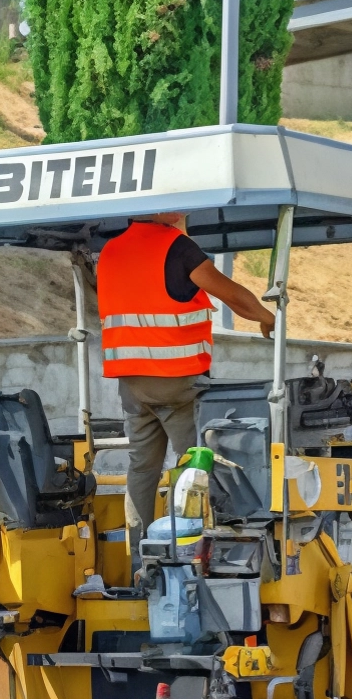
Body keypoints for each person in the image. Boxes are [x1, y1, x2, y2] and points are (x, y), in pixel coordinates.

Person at [96, 213, 276, 537]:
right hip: (175, 381)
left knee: (142, 467)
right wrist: (267, 317)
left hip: (131, 383)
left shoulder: (111, 250)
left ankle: (139, 557)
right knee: (192, 463)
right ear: (170, 211)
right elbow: (231, 294)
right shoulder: (177, 248)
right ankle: (179, 549)